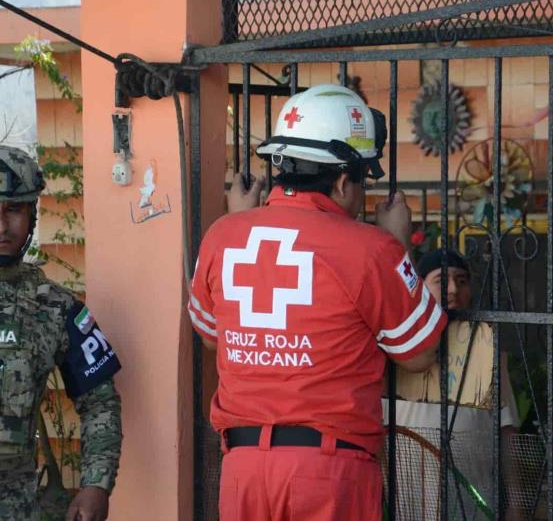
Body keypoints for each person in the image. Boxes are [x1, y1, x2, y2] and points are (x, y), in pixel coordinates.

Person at [188, 84, 446, 521]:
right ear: (344, 180)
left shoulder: (221, 236)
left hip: (243, 470)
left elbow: (213, 337)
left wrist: (236, 220)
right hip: (329, 472)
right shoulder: (371, 250)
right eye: (362, 180)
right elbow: (419, 354)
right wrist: (398, 242)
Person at [0, 146, 122, 521]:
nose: (2, 226)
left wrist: (95, 485)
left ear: (33, 215)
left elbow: (100, 400)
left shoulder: (54, 307)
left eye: (14, 210)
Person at [388, 248, 521, 520]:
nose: (453, 289)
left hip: (471, 498)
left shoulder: (484, 346)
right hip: (406, 500)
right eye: (441, 280)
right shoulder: (395, 343)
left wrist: (517, 503)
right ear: (420, 288)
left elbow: (506, 432)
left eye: (461, 281)